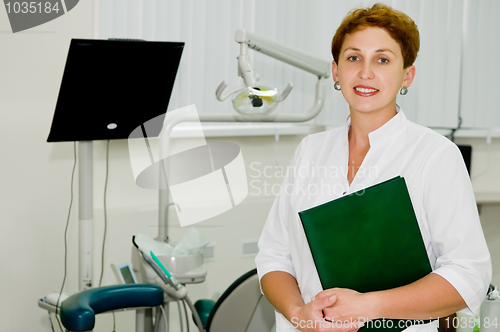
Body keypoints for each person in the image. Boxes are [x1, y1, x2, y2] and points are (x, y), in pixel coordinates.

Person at [255, 3, 491, 332]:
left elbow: (469, 275)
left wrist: (368, 306)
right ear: (336, 71)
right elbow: (273, 256)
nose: (366, 72)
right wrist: (300, 313)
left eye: (382, 59)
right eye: (353, 58)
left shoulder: (435, 155)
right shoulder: (310, 150)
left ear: (407, 74)